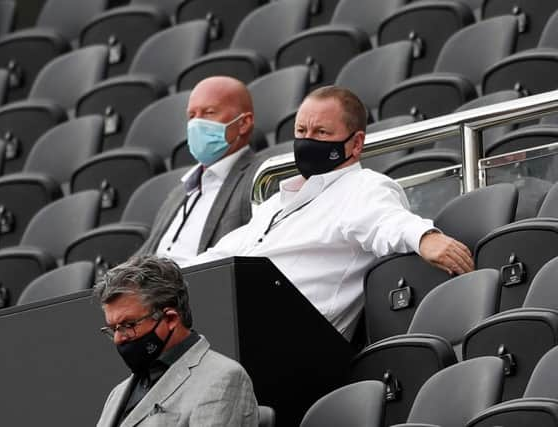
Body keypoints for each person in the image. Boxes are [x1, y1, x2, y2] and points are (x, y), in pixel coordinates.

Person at [185, 86, 475, 339]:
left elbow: (386, 221)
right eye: (301, 132)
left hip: (293, 340)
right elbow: (223, 255)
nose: (307, 140)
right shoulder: (276, 203)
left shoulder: (361, 187)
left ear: (356, 143)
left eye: (321, 132)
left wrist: (425, 237)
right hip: (237, 326)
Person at [95, 255, 258, 427]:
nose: (118, 338)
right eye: (113, 329)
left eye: (128, 325)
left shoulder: (223, 378)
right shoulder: (117, 393)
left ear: (171, 319)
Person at [137, 76, 258, 265]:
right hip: (153, 290)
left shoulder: (257, 177)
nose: (196, 124)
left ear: (243, 123)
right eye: (192, 116)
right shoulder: (178, 193)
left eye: (209, 113)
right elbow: (144, 255)